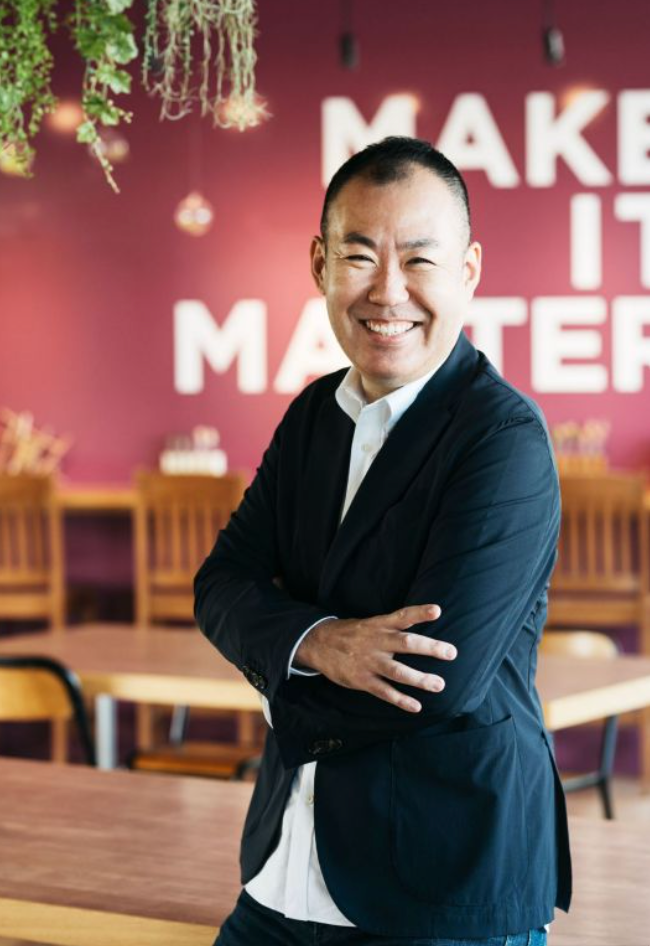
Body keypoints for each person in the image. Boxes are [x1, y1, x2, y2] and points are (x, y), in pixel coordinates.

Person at [194, 136, 572, 946]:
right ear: (320, 264)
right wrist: (317, 642)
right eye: (360, 256)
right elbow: (220, 583)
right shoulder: (312, 417)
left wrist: (276, 670)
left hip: (440, 885)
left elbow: (435, 679)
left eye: (420, 260)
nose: (388, 290)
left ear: (468, 270)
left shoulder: (501, 438)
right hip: (282, 874)